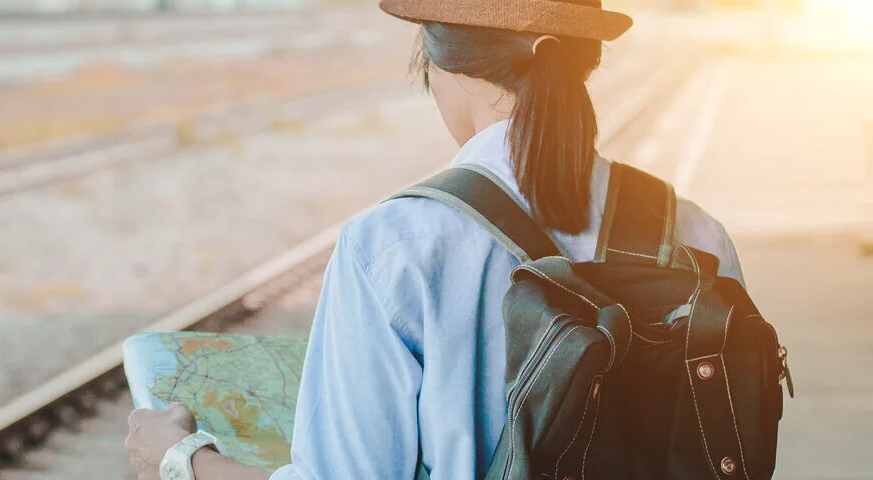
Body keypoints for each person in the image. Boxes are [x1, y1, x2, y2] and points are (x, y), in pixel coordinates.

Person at [124, 0, 747, 479]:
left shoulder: (394, 247)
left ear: (439, 62)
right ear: (587, 62)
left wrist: (181, 459)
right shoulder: (696, 234)